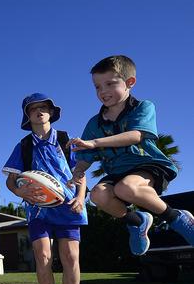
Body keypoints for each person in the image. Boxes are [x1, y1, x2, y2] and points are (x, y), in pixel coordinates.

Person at [68, 55, 193, 255]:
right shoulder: (94, 124)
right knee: (98, 195)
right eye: (97, 86)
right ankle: (137, 221)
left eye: (110, 83)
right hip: (117, 171)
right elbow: (84, 157)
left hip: (147, 165)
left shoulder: (143, 107)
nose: (103, 91)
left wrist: (95, 142)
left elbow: (135, 136)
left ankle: (177, 218)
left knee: (126, 188)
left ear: (130, 82)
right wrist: (78, 172)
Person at [3, 93, 90, 284]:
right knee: (43, 257)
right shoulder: (23, 146)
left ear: (51, 113)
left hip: (69, 207)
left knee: (71, 257)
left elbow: (80, 173)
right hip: (38, 211)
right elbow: (11, 182)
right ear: (27, 116)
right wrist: (20, 193)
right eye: (33, 109)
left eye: (44, 108)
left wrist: (81, 198)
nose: (39, 111)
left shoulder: (65, 139)